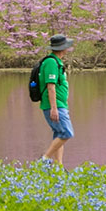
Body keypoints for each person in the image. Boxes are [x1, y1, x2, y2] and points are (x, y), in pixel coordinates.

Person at [37, 34, 73, 164]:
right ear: (63, 48)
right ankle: (45, 159)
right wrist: (54, 108)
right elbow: (50, 86)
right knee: (66, 133)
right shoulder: (51, 62)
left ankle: (59, 167)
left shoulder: (57, 62)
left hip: (60, 104)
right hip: (54, 105)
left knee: (59, 134)